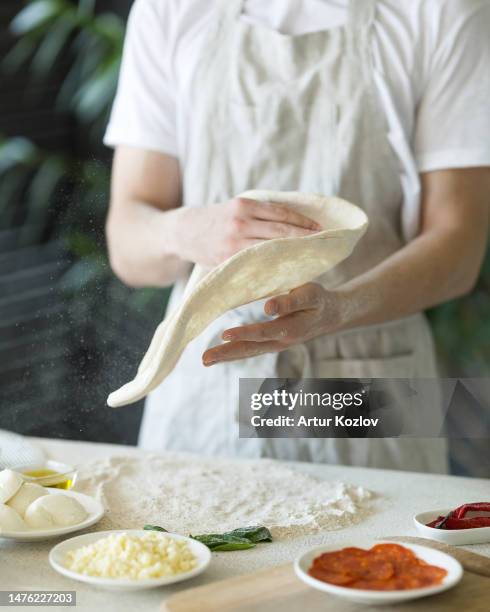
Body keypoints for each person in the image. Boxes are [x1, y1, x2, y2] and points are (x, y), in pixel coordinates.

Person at [104, 0, 490, 472]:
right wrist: (183, 229)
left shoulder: (444, 12)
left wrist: (340, 307)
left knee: (368, 543)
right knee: (191, 541)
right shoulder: (171, 11)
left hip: (367, 383)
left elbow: (459, 248)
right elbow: (127, 244)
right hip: (208, 384)